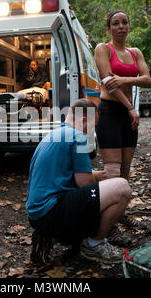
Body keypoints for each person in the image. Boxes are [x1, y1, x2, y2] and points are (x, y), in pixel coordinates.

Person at [26, 98, 132, 263]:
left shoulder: (56, 134)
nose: (91, 131)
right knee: (122, 188)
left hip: (37, 215)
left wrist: (94, 175)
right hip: (51, 212)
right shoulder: (77, 137)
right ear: (84, 120)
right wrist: (99, 183)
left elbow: (63, 174)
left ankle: (52, 237)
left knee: (100, 192)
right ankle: (94, 245)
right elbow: (85, 184)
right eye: (92, 126)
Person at [95, 10, 151, 181]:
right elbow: (109, 83)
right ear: (108, 29)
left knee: (125, 171)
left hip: (128, 115)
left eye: (124, 22)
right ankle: (97, 198)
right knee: (113, 172)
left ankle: (120, 207)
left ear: (129, 26)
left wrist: (123, 80)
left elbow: (147, 79)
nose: (121, 26)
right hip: (109, 112)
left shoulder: (135, 52)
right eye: (116, 23)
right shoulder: (103, 49)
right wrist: (131, 108)